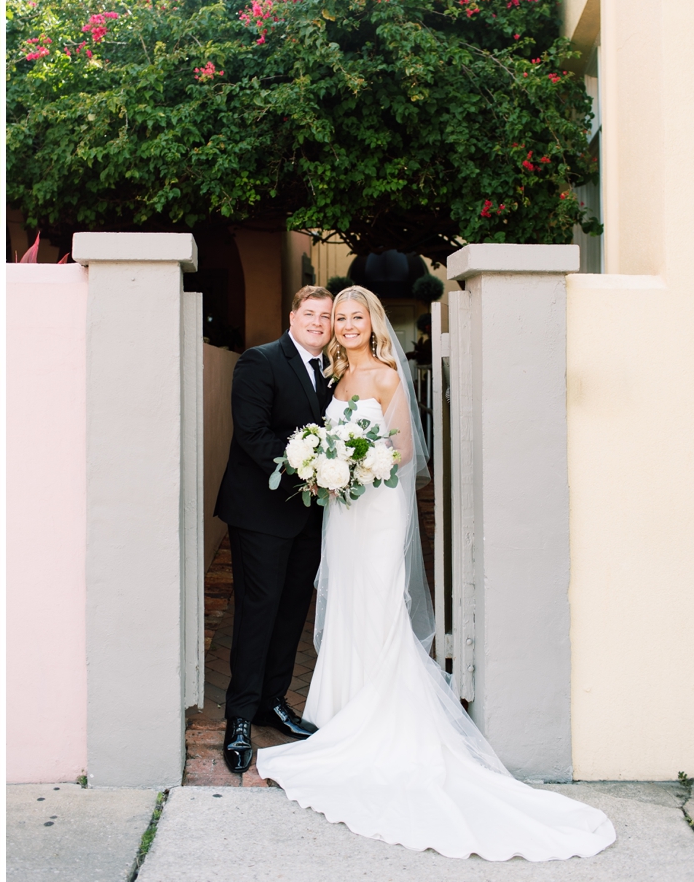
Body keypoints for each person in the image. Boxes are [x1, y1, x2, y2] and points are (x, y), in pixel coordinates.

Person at [257, 287, 615, 860]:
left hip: (374, 506)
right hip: (344, 510)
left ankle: (379, 716)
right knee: (347, 599)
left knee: (378, 601)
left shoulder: (385, 377)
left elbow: (400, 453)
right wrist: (325, 463)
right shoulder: (336, 377)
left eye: (356, 317)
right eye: (339, 318)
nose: (346, 326)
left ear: (373, 324)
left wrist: (348, 462)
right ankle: (340, 710)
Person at [213, 285, 333, 774]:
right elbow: (253, 433)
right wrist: (303, 468)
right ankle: (239, 716)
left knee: (291, 612)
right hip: (261, 512)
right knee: (258, 612)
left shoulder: (333, 370)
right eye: (311, 314)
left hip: (312, 512)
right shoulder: (259, 361)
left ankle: (273, 702)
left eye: (326, 317)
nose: (320, 323)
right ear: (293, 316)